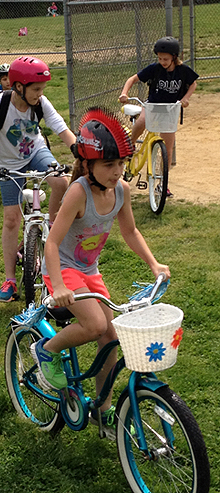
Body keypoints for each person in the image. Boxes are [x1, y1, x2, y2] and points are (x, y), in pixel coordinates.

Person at [30, 108, 170, 428]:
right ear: (88, 164)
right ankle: (47, 349)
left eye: (121, 163)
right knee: (94, 324)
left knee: (109, 335)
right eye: (109, 164)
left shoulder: (120, 190)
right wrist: (60, 287)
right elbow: (51, 243)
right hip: (61, 269)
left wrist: (153, 263)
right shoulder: (77, 191)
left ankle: (102, 406)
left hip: (89, 270)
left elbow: (130, 232)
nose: (117, 171)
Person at [0, 56, 76, 303]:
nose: (40, 94)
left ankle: (51, 227)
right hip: (8, 163)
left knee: (60, 182)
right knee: (11, 220)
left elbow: (61, 128)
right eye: (36, 89)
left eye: (42, 89)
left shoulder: (40, 103)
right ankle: (10, 278)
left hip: (36, 152)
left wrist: (79, 152)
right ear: (19, 86)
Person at [119, 36, 199, 196]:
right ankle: (130, 145)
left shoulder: (183, 70)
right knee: (141, 121)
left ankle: (163, 183)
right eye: (160, 58)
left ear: (174, 58)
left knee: (168, 149)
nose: (162, 61)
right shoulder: (155, 68)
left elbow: (193, 83)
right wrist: (124, 93)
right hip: (153, 106)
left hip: (170, 110)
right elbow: (133, 79)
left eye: (166, 59)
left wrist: (186, 98)